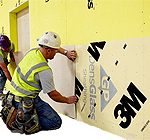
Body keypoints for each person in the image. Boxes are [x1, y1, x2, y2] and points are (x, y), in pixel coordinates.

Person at [0, 31, 78, 134]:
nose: (55, 53)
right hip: (26, 100)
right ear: (49, 50)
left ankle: (24, 115)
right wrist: (67, 100)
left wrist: (65, 52)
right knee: (55, 122)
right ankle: (26, 124)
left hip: (11, 96)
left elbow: (53, 47)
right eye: (54, 51)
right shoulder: (44, 70)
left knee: (38, 107)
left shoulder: (33, 52)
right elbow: (53, 95)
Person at [0, 35, 15, 100]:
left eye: (8, 48)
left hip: (4, 58)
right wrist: (12, 82)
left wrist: (12, 57)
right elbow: (5, 70)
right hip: (1, 59)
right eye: (5, 48)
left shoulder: (11, 45)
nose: (7, 49)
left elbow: (11, 52)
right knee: (3, 75)